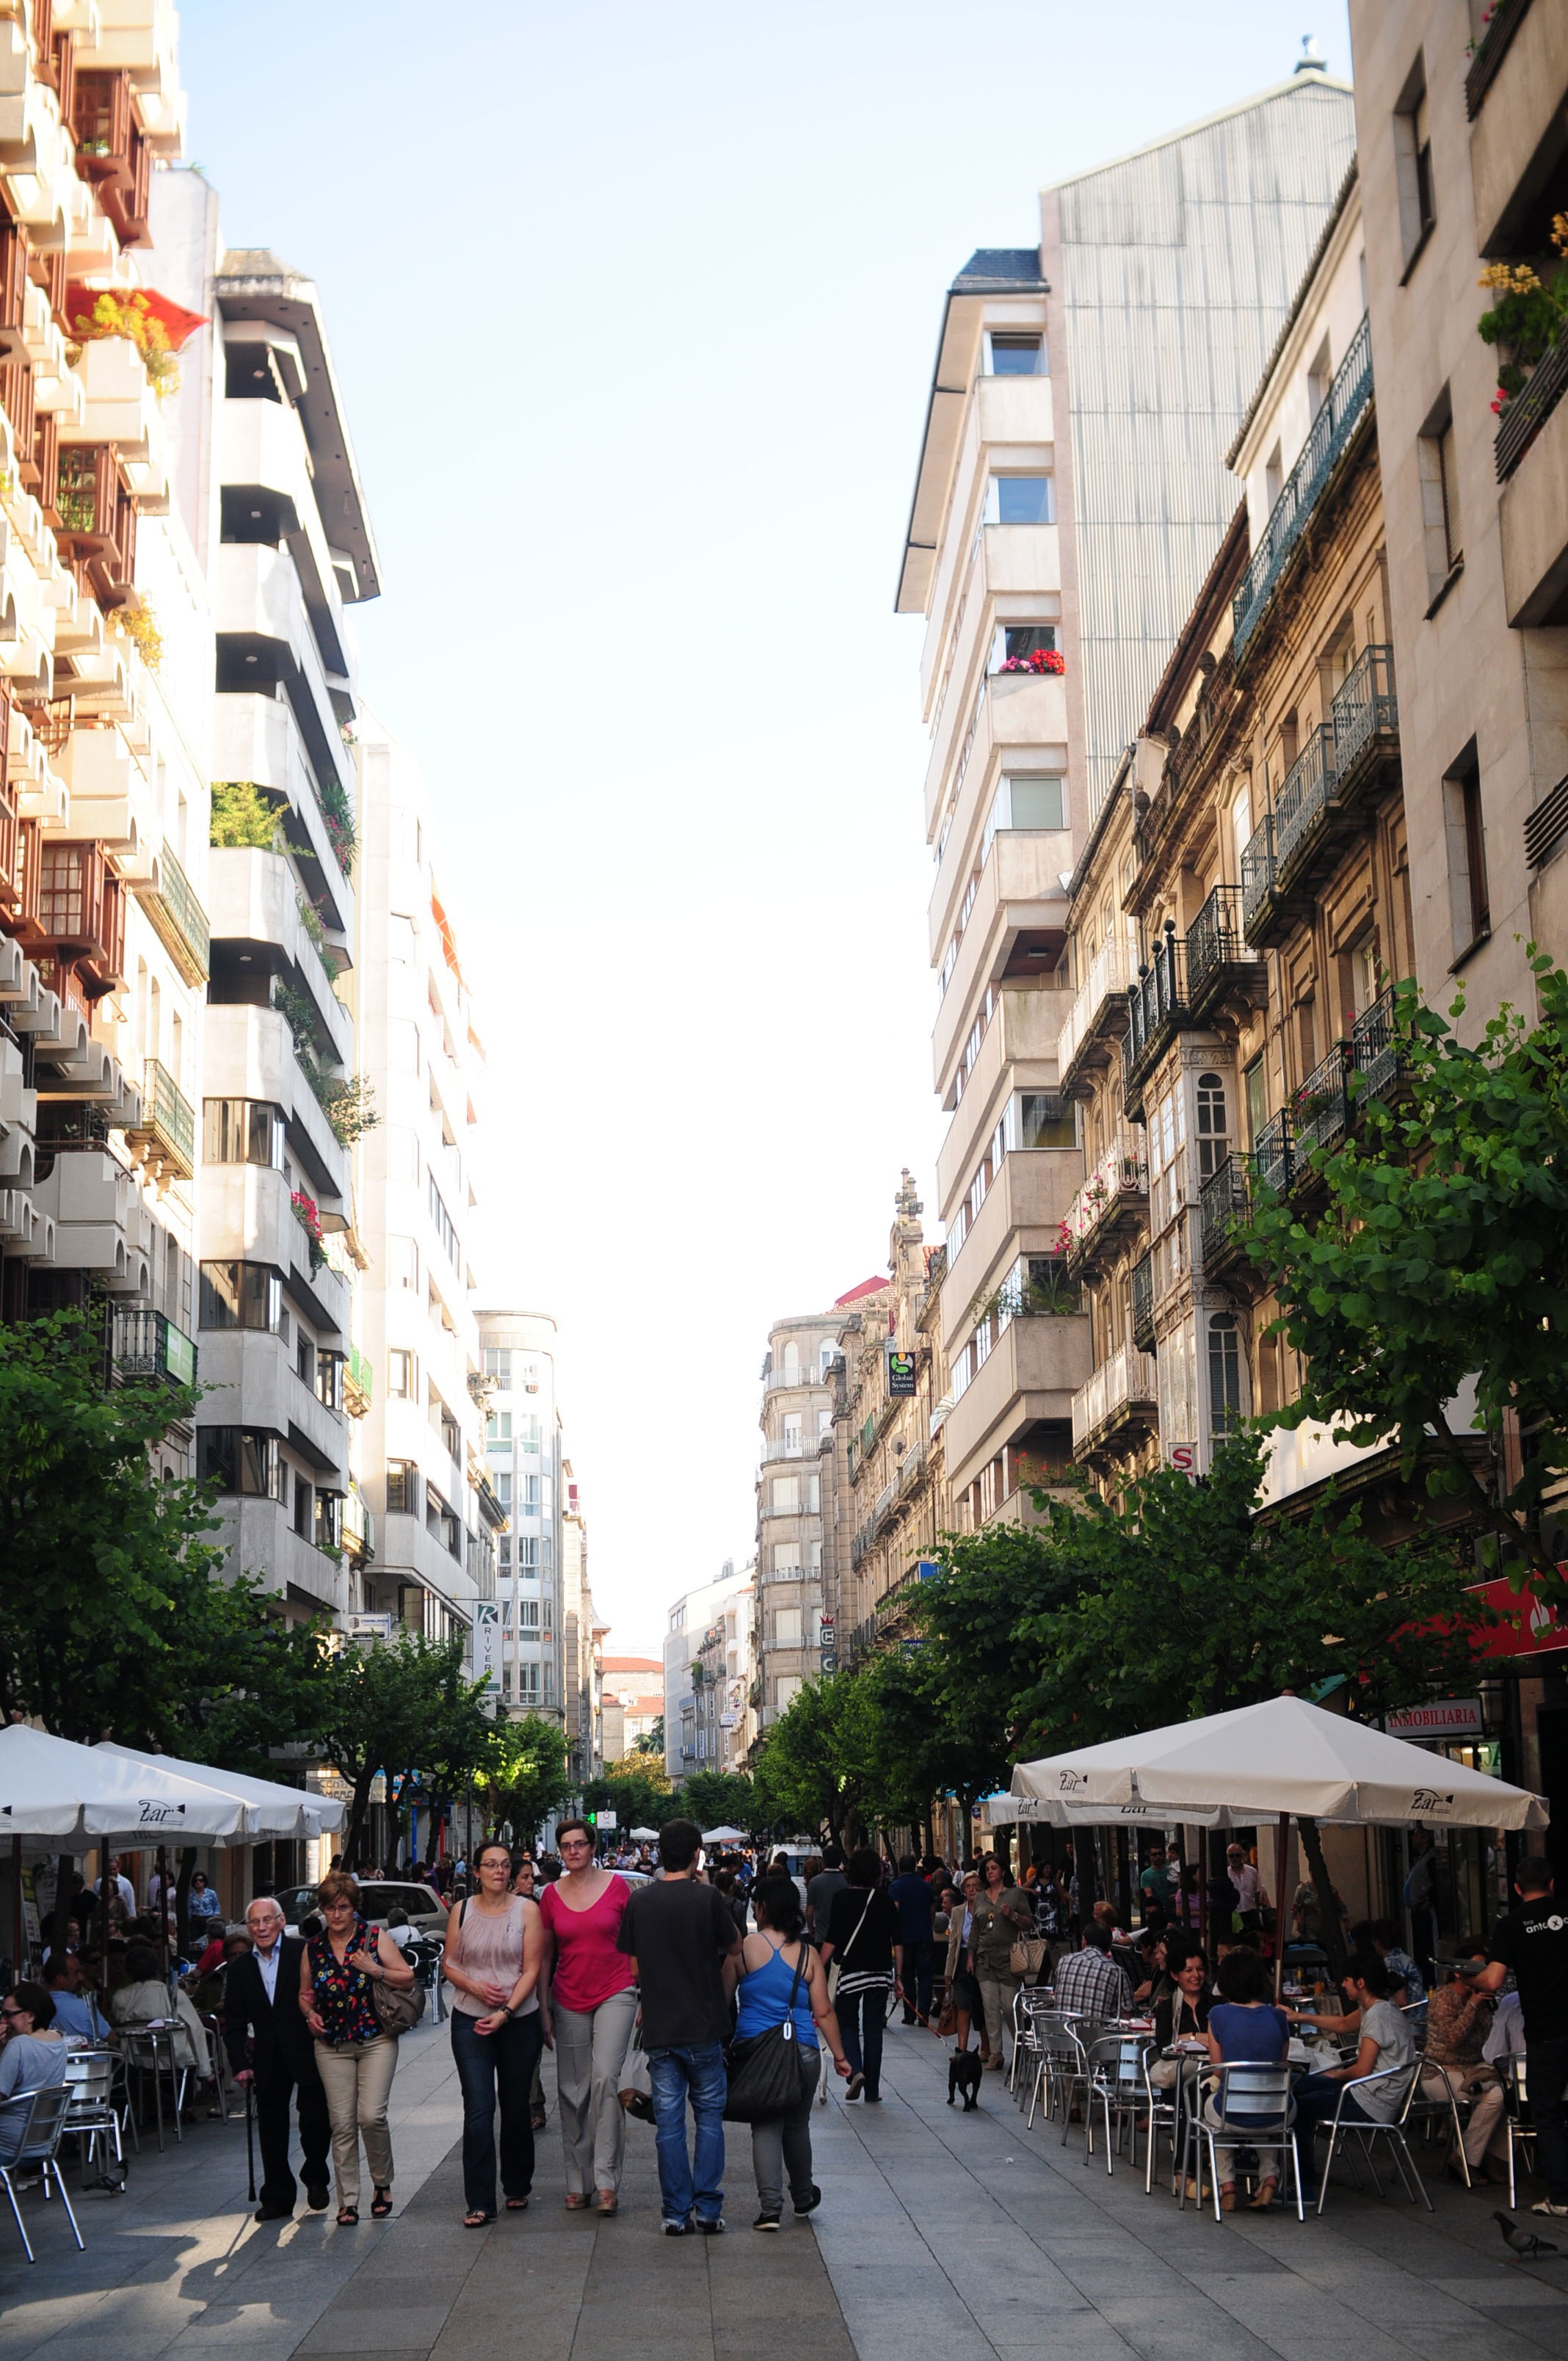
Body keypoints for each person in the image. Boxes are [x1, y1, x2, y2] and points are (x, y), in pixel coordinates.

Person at [618, 1818, 742, 2235]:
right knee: (709, 2117)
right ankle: (707, 2209)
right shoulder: (707, 1898)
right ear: (696, 1855)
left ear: (658, 1854)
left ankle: (675, 2212)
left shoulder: (639, 1902)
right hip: (705, 2024)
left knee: (669, 2123)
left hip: (661, 2026)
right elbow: (736, 1945)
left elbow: (634, 1967)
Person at [299, 1869, 415, 2226]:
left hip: (375, 2039)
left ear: (354, 1908)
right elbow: (305, 1994)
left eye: (343, 1907)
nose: (336, 1915)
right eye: (330, 1908)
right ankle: (347, 2199)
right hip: (331, 2044)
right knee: (342, 2123)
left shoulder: (372, 1937)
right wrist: (308, 2015)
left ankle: (382, 2183)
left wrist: (373, 1969)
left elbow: (407, 1977)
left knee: (371, 2116)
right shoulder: (313, 1948)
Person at [736, 1874, 852, 2230]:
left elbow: (727, 1995)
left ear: (763, 1907)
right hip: (802, 2049)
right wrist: (841, 2057)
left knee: (765, 2127)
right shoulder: (808, 1954)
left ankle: (770, 2209)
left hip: (756, 2050)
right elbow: (824, 2011)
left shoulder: (745, 1947)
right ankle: (803, 2197)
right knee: (797, 2127)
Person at [442, 1836, 545, 2226]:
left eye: (505, 1864)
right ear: (477, 1872)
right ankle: (480, 2200)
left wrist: (505, 2010)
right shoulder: (462, 1910)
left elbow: (531, 1969)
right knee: (479, 2107)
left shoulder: (527, 1911)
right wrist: (474, 1988)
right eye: (491, 1864)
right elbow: (449, 1964)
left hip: (518, 2020)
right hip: (470, 2018)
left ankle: (517, 2185)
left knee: (516, 2105)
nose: (499, 1871)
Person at [537, 1818, 637, 2215]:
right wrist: (543, 2005)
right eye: (566, 1846)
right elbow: (546, 1954)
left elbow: (635, 1944)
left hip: (616, 1990)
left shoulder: (618, 1888)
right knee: (573, 2090)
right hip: (568, 1996)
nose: (574, 1851)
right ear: (560, 1852)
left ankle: (607, 2179)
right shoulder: (549, 1896)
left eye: (580, 1843)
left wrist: (643, 1990)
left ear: (593, 1847)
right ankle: (578, 2180)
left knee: (606, 2079)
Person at [1472, 1854, 1568, 2217]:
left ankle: (1560, 2197)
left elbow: (1494, 1981)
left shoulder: (1511, 1925)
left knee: (1548, 2114)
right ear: (1553, 1884)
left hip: (1545, 2032)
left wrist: (1472, 1979)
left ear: (1516, 1889)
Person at [225, 1898, 330, 2224]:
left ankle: (315, 2175)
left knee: (315, 2118)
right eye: (254, 1923)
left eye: (267, 1920)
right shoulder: (241, 1967)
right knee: (271, 2127)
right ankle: (278, 2196)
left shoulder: (304, 1952)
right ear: (248, 1928)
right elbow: (234, 2020)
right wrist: (240, 2062)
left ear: (282, 1921)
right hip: (267, 2055)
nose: (261, 1928)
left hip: (305, 2047)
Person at [1288, 1952, 1418, 2205]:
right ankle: (1299, 2172)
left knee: (1295, 2107)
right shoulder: (1377, 2007)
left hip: (1370, 2101)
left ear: (1360, 1982)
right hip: (1365, 2089)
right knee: (1296, 2085)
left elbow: (1361, 2070)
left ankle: (1303, 2187)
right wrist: (1299, 2017)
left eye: (1346, 1980)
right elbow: (1343, 2024)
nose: (1342, 1985)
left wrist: (1334, 2075)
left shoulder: (1379, 2016)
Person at [1199, 1943, 1291, 2209]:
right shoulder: (1278, 2016)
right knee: (1264, 2103)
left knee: (1218, 2112)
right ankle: (1270, 2175)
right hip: (1278, 2113)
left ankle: (1227, 2183)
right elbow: (1279, 2065)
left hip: (1233, 2112)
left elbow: (1218, 2069)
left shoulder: (1218, 2015)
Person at [821, 1848, 902, 2104]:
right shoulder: (885, 1900)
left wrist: (814, 1968)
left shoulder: (841, 1898)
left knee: (847, 2024)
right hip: (879, 1973)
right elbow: (898, 1942)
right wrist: (898, 1976)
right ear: (877, 1873)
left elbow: (831, 1940)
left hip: (850, 1973)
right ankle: (873, 2090)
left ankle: (855, 2070)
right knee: (873, 2030)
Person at [1422, 1944, 1506, 2184]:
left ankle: (1491, 2156)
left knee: (1508, 2095)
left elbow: (1490, 2038)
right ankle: (1466, 2159)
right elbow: (1452, 2041)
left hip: (1474, 2067)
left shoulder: (1482, 1998)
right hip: (1440, 2071)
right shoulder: (1444, 1998)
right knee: (1495, 2097)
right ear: (1458, 1972)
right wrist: (1472, 2005)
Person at [111, 1941, 214, 2089]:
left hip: (138, 2059)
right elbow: (196, 2027)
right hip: (176, 2057)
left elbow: (119, 2020)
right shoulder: (173, 1994)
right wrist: (205, 2070)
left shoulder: (121, 1997)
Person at [968, 1855, 1031, 2072]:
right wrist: (971, 1955)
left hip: (1009, 1958)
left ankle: (1020, 2047)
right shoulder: (980, 1897)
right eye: (987, 1869)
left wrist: (1013, 1915)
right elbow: (975, 1928)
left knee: (1009, 2006)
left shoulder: (1015, 1894)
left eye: (994, 1868)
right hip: (985, 1959)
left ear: (1003, 1871)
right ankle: (996, 2053)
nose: (990, 1872)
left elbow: (1028, 1923)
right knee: (990, 2007)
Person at [0, 1983, 70, 2161]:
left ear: (30, 2016)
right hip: (43, 2143)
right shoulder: (59, 2041)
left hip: (10, 2145)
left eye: (8, 2014)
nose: (4, 2021)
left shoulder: (18, 2046)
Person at [1053, 1921, 1134, 2024]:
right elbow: (1126, 2015)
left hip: (1062, 2036)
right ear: (1110, 1945)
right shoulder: (1117, 1972)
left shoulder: (1064, 1962)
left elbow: (1056, 1994)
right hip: (1100, 2038)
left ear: (1084, 1941)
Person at [889, 1853, 937, 2026]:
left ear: (901, 1867)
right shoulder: (925, 1886)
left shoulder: (895, 1887)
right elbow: (932, 1910)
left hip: (904, 1937)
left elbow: (895, 1911)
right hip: (924, 1935)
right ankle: (923, 2014)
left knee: (907, 1976)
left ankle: (910, 2014)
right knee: (925, 1977)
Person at [944, 1871, 984, 2055]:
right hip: (961, 1959)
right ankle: (962, 2049)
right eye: (968, 1886)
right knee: (962, 2005)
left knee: (981, 2006)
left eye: (976, 1886)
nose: (972, 1889)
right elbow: (953, 1942)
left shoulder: (986, 1909)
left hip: (982, 1960)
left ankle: (987, 2048)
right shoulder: (958, 1912)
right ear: (963, 1890)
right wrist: (948, 1970)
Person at [1350, 1917, 1424, 2006]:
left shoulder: (1391, 1963)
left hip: (1408, 2017)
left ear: (1378, 1942)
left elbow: (1401, 2000)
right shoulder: (1404, 1958)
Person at [41, 1951, 109, 2044]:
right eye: (76, 1973)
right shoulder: (84, 2007)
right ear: (60, 1978)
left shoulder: (37, 2005)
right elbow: (111, 2038)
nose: (81, 1977)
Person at [805, 1845, 847, 1947]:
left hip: (821, 1936)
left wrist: (811, 1928)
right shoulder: (847, 1881)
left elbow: (810, 1911)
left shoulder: (814, 1882)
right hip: (843, 1937)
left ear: (824, 1861)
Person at [1226, 1845, 1266, 1933]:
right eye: (1231, 1856)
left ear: (1243, 1855)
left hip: (1251, 1912)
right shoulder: (1226, 1874)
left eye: (1238, 1855)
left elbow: (1257, 1892)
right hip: (1234, 1913)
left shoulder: (1252, 1871)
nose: (1235, 1858)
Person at [187, 1871, 222, 1937]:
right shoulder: (192, 1896)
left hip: (208, 1918)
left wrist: (215, 1916)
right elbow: (190, 1909)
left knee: (207, 1937)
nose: (198, 1882)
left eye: (201, 1880)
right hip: (196, 1919)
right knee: (195, 1938)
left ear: (204, 1882)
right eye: (196, 1881)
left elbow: (216, 1905)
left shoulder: (211, 1893)